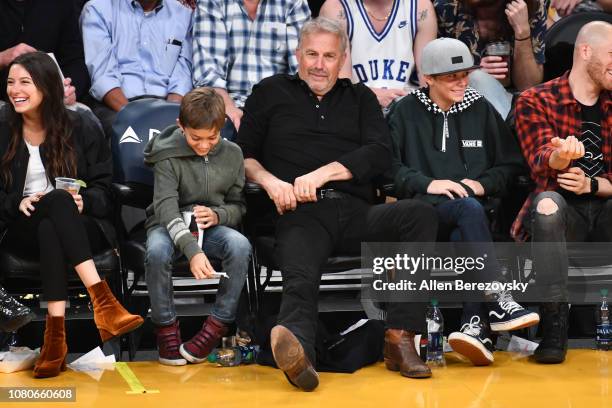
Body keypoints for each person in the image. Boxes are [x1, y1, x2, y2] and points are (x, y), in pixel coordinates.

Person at [238, 17, 439, 391]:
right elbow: (243, 155)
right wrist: (270, 182)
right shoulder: (269, 92)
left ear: (343, 58)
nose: (319, 64)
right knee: (299, 270)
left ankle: (400, 337)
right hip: (298, 212)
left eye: (329, 56)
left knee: (419, 215)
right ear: (297, 55)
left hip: (355, 212)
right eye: (311, 54)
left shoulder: (360, 98)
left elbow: (379, 154)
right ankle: (299, 353)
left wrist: (325, 172)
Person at [388, 37, 539, 366]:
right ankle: (494, 304)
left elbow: (511, 165)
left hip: (474, 222)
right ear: (428, 78)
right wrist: (431, 184)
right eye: (451, 77)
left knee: (467, 222)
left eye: (465, 74)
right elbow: (388, 170)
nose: (462, 82)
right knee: (467, 212)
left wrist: (482, 185)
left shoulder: (480, 107)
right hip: (423, 219)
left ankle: (474, 326)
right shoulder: (403, 112)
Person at [0, 52, 143, 378]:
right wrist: (15, 203)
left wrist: (85, 202)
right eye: (10, 82)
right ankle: (103, 304)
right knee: (52, 210)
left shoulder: (81, 125)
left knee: (58, 211)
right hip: (20, 228)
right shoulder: (2, 129)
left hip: (80, 226)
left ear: (47, 88)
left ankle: (55, 342)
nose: (15, 90)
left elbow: (105, 190)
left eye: (25, 82)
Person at [512, 21, 612, 364]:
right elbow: (540, 158)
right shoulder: (536, 99)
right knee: (547, 204)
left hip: (606, 213)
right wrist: (561, 156)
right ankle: (555, 326)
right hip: (563, 217)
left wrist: (594, 185)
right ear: (585, 52)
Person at [144, 87, 251, 366]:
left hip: (210, 229)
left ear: (222, 126)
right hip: (168, 225)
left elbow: (238, 206)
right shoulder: (166, 154)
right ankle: (166, 330)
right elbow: (165, 208)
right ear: (181, 127)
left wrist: (218, 215)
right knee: (156, 250)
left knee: (240, 245)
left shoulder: (234, 154)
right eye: (195, 138)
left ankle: (216, 327)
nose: (203, 145)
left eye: (212, 138)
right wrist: (192, 251)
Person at [80, 0, 194, 137]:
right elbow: (103, 75)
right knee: (126, 135)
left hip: (168, 103)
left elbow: (183, 73)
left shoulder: (183, 14)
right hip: (118, 106)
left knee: (196, 129)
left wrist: (169, 114)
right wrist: (138, 118)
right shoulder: (97, 9)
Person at [192, 0, 311, 130]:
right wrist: (230, 109)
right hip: (227, 103)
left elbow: (301, 70)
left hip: (278, 105)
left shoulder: (293, 2)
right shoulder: (212, 2)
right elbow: (208, 72)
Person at [434, 0, 548, 118]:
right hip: (457, 101)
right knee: (479, 79)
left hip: (511, 102)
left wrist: (522, 32)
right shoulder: (446, 6)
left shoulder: (529, 5)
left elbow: (528, 86)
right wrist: (469, 70)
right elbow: (433, 69)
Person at [319, 0, 438, 109]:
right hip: (356, 107)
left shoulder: (420, 7)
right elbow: (341, 83)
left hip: (408, 108)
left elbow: (428, 79)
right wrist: (370, 96)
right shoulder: (336, 8)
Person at [0, 0, 90, 104]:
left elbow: (74, 60)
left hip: (47, 100)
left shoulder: (60, 4)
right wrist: (2, 58)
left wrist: (70, 90)